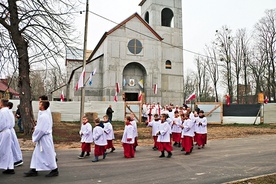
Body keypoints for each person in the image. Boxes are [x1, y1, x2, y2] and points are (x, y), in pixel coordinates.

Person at [24, 100, 59, 177]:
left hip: (44, 138)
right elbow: (40, 127)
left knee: (48, 154)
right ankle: (34, 169)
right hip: (42, 137)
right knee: (36, 154)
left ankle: (54, 169)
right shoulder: (44, 114)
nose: (38, 105)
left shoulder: (44, 116)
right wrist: (36, 128)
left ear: (43, 106)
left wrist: (35, 136)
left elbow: (41, 130)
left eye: (40, 104)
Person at [0, 99, 14, 174]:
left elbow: (1, 123)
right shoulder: (8, 111)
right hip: (8, 131)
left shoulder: (2, 112)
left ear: (1, 104)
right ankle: (10, 167)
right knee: (8, 150)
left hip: (3, 132)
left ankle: (7, 166)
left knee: (2, 149)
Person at [7, 102, 24, 167]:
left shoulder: (6, 112)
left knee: (11, 146)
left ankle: (16, 159)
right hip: (10, 131)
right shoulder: (9, 112)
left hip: (8, 131)